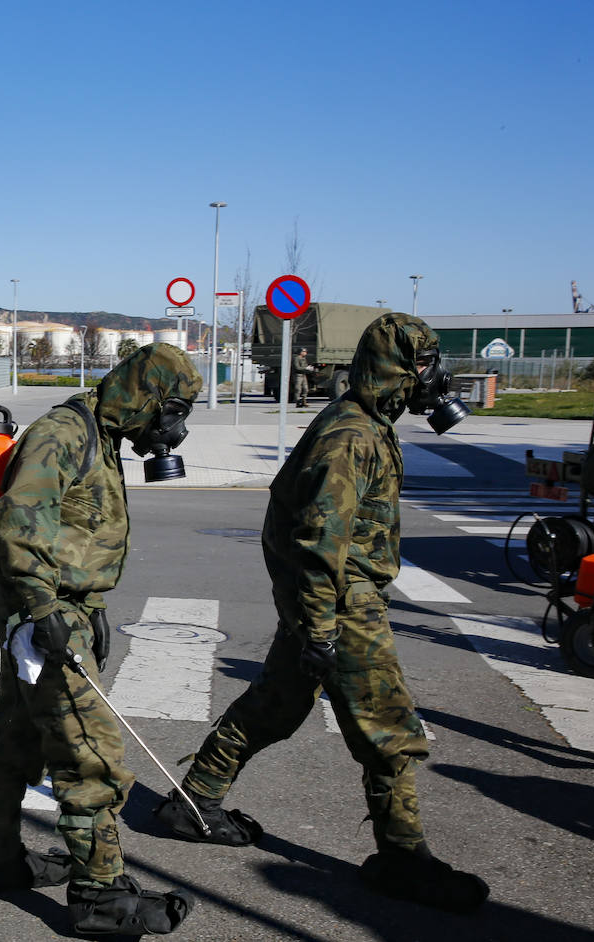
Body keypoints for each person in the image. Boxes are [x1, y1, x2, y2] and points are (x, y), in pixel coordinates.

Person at [156, 312, 489, 914]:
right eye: (421, 364)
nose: (431, 376)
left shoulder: (365, 423)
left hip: (327, 603)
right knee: (390, 732)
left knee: (276, 705)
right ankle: (403, 858)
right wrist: (320, 628)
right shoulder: (352, 436)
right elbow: (316, 540)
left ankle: (194, 799)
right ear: (395, 369)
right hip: (342, 604)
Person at [0, 343, 202, 937]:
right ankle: (100, 897)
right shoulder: (64, 432)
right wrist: (45, 609)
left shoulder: (102, 435)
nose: (173, 424)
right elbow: (20, 517)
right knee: (91, 753)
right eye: (170, 408)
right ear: (143, 395)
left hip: (62, 604)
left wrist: (86, 608)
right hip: (41, 606)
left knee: (15, 736)